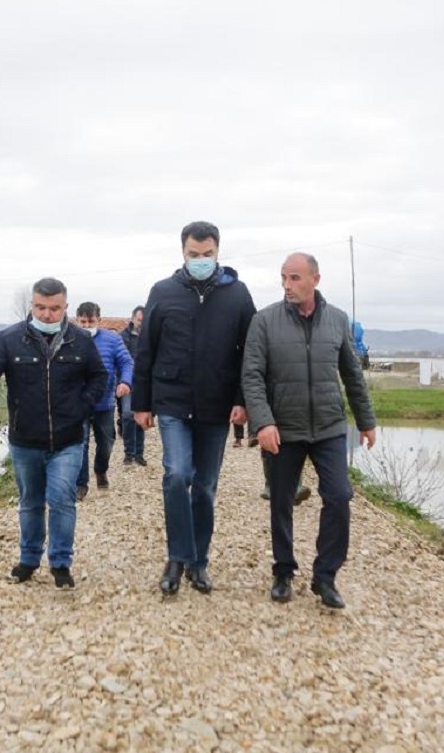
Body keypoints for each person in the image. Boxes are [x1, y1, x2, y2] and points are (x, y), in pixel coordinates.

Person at [241, 253, 377, 609]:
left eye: (295, 278)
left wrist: (366, 421)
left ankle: (326, 576)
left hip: (329, 426)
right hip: (283, 429)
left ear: (315, 279)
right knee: (281, 500)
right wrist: (264, 422)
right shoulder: (264, 321)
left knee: (339, 496)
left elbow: (352, 374)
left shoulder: (337, 321)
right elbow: (252, 376)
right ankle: (283, 570)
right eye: (283, 278)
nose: (287, 285)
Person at [133, 221, 256, 595]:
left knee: (204, 486)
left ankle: (198, 562)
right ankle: (177, 557)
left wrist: (242, 400)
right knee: (176, 474)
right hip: (171, 400)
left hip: (216, 405)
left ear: (218, 252)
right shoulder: (163, 292)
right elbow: (146, 350)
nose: (200, 260)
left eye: (207, 254)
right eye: (193, 254)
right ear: (182, 253)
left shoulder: (237, 295)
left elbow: (250, 354)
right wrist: (141, 403)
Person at [0, 277, 107, 589]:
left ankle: (60, 562)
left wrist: (81, 407)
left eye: (54, 308)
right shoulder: (10, 339)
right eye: (41, 308)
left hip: (68, 439)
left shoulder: (80, 340)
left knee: (61, 499)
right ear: (32, 306)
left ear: (65, 307)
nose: (47, 314)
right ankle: (29, 559)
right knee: (30, 501)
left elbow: (99, 377)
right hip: (25, 440)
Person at [74, 301, 134, 500]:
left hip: (105, 402)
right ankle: (81, 484)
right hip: (79, 402)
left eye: (91, 321)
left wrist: (125, 381)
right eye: (83, 321)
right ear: (77, 320)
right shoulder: (70, 339)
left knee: (106, 442)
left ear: (99, 319)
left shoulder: (112, 339)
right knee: (79, 443)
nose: (86, 325)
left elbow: (127, 362)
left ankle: (101, 469)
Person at [118, 305, 147, 466]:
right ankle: (129, 452)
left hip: (144, 383)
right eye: (139, 320)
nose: (141, 323)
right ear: (133, 318)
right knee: (128, 416)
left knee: (141, 417)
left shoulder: (149, 338)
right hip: (128, 382)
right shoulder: (123, 337)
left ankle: (139, 453)